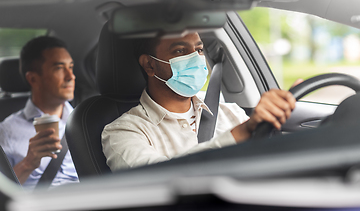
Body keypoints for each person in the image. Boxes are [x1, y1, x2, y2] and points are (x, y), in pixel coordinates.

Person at [102, 32, 296, 171]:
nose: (195, 58)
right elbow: (157, 178)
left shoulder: (230, 112)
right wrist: (243, 133)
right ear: (149, 64)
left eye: (199, 49)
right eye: (179, 51)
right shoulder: (123, 132)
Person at [0, 36, 78, 189]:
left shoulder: (86, 122)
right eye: (59, 68)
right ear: (33, 79)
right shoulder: (6, 131)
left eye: (71, 67)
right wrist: (28, 163)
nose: (71, 76)